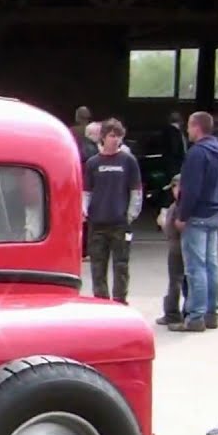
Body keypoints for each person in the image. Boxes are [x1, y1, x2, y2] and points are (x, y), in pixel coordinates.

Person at [171, 111, 218, 332]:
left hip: (197, 215)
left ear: (197, 127)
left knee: (195, 267)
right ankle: (211, 313)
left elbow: (191, 189)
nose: (187, 131)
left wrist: (182, 215)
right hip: (216, 212)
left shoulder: (197, 154)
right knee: (211, 264)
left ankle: (195, 316)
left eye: (189, 126)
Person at [82, 118, 143, 304]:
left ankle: (119, 299)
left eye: (118, 136)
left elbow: (136, 190)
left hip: (120, 222)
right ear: (103, 137)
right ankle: (101, 300)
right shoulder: (93, 163)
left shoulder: (128, 161)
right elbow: (86, 192)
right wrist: (84, 211)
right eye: (111, 136)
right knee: (98, 265)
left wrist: (131, 215)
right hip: (97, 222)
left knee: (121, 264)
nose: (115, 140)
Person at [155, 174, 187, 326]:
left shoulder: (178, 207)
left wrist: (164, 223)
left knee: (176, 281)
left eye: (175, 187)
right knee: (183, 280)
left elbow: (174, 229)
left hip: (177, 248)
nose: (173, 191)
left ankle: (172, 313)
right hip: (178, 247)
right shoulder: (178, 205)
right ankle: (186, 310)